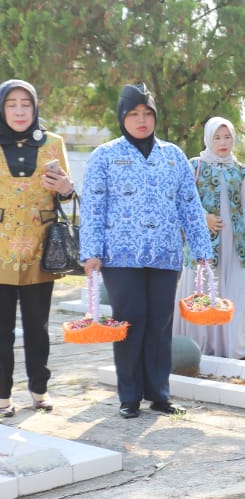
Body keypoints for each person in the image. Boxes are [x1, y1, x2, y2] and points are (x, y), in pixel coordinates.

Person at [81, 84, 213, 419]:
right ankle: (129, 396)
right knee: (129, 322)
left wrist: (201, 248)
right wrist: (91, 252)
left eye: (147, 113)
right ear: (122, 117)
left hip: (165, 256)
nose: (141, 120)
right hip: (119, 256)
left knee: (159, 324)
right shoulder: (105, 156)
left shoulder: (173, 156)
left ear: (155, 116)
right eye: (134, 114)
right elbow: (94, 207)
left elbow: (190, 206)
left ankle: (159, 393)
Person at [0, 80, 75, 418]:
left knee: (38, 325)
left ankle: (39, 389)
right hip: (0, 249)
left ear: (35, 108)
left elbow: (66, 194)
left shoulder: (54, 143)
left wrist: (65, 187)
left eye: (25, 104)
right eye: (12, 103)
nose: (18, 110)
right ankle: (2, 396)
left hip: (42, 249)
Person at [173, 117, 245, 359]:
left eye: (227, 137)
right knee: (201, 289)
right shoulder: (194, 166)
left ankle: (234, 348)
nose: (223, 142)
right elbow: (182, 201)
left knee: (234, 290)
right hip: (203, 244)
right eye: (217, 137)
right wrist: (204, 218)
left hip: (234, 244)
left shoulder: (240, 170)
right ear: (208, 139)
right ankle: (197, 347)